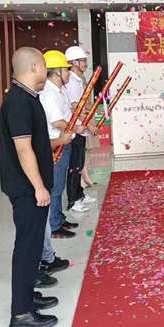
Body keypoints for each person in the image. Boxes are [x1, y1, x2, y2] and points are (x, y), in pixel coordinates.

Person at [0, 47, 72, 327]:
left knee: (31, 248)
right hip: (27, 188)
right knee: (27, 247)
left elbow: (37, 144)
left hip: (31, 186)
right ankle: (21, 314)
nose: (46, 71)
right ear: (33, 67)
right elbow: (23, 148)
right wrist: (39, 186)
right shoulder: (18, 101)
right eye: (43, 66)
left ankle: (28, 297)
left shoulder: (28, 98)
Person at [39, 50, 86, 239]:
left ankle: (59, 218)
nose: (68, 73)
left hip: (65, 141)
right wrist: (76, 128)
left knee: (59, 184)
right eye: (66, 70)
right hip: (56, 144)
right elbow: (57, 121)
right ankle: (54, 225)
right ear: (57, 72)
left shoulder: (60, 90)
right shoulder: (49, 94)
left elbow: (67, 113)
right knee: (56, 186)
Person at [64, 46, 97, 214]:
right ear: (73, 63)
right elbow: (75, 107)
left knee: (79, 163)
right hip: (75, 129)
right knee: (74, 166)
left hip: (81, 128)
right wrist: (89, 124)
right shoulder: (70, 81)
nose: (85, 63)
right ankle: (73, 200)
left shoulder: (78, 80)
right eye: (83, 60)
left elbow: (84, 105)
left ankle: (79, 194)